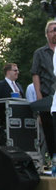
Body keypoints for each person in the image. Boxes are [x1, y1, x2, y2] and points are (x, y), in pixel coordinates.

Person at [31, 20, 56, 157]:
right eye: (53, 30)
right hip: (47, 97)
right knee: (50, 132)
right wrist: (39, 97)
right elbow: (35, 74)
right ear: (47, 34)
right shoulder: (40, 53)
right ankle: (53, 160)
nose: (55, 33)